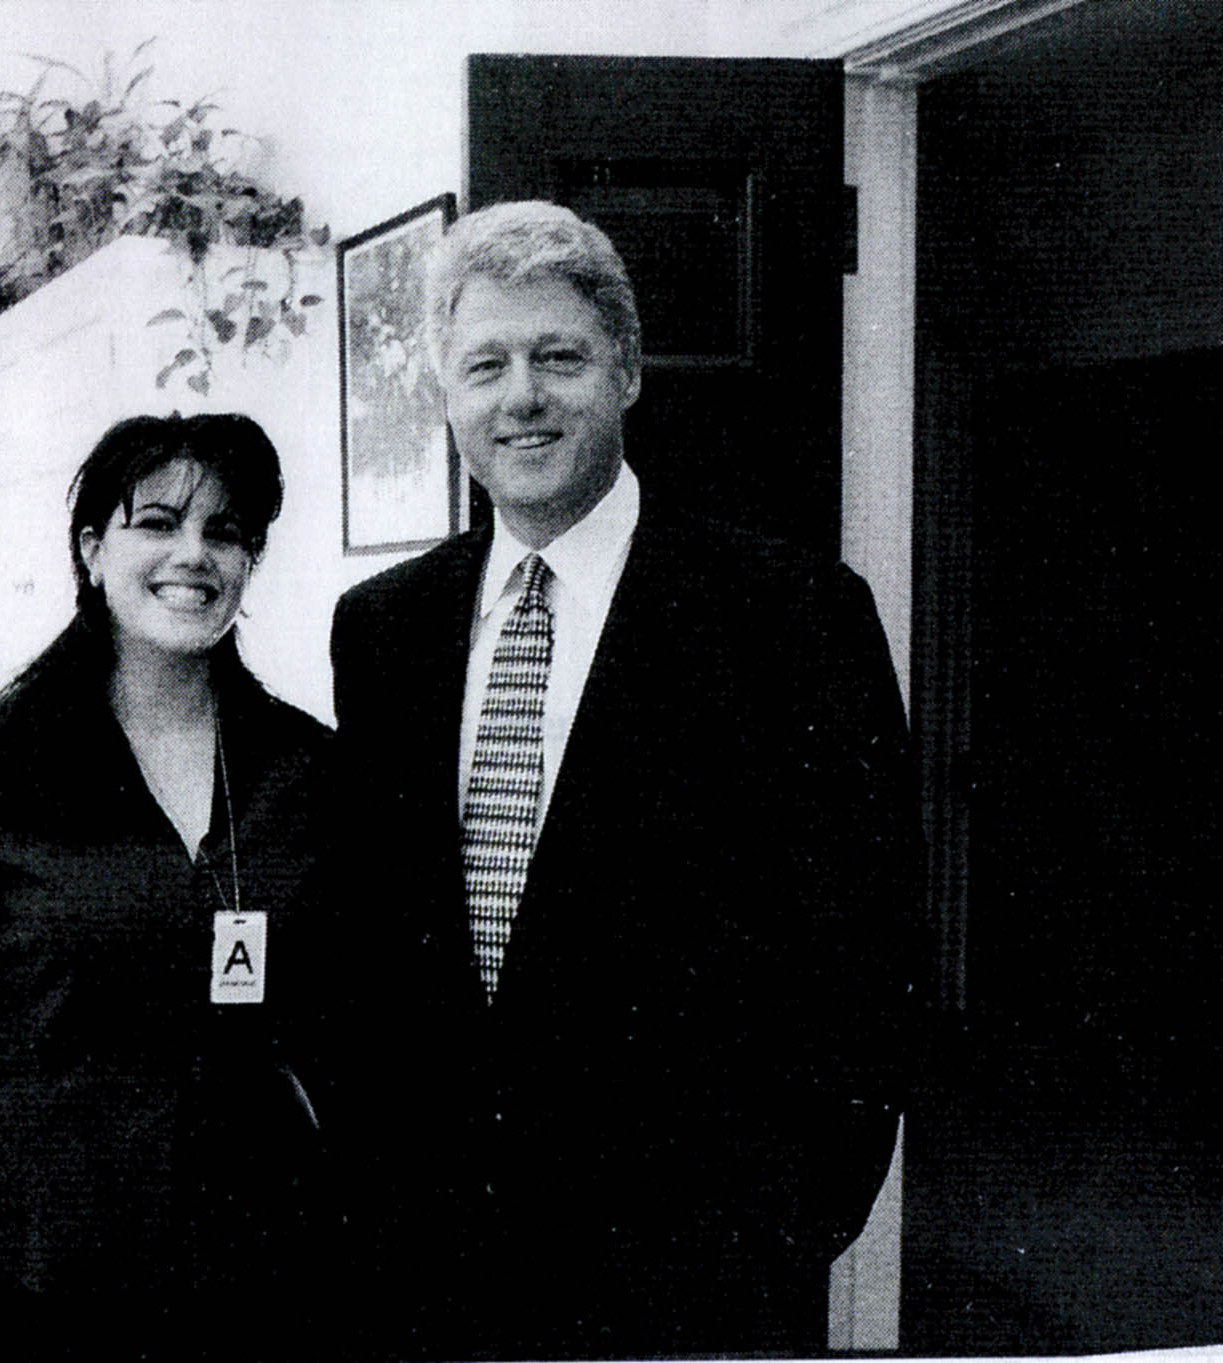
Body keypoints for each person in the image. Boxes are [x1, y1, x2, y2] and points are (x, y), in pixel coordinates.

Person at [328, 201, 920, 1359]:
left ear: (628, 371)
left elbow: (871, 954)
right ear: (445, 396)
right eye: (483, 365)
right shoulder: (382, 629)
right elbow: (379, 952)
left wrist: (787, 1227)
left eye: (558, 356)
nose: (521, 397)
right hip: (438, 1274)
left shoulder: (790, 618)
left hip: (696, 1278)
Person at [0, 414, 338, 1361]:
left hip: (254, 1256)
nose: (193, 554)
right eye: (157, 522)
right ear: (92, 549)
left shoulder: (304, 766)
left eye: (227, 531)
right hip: (36, 1259)